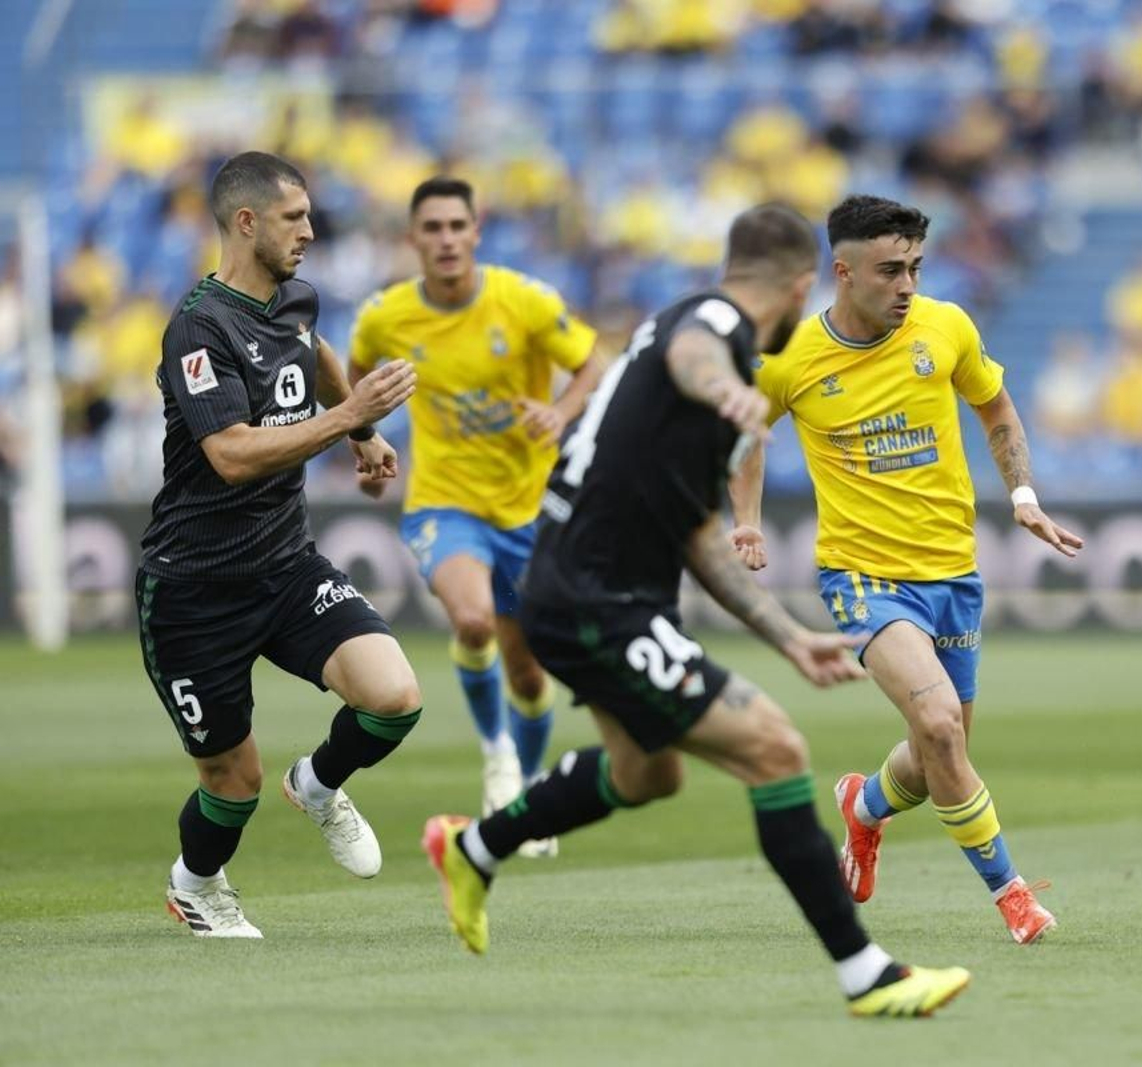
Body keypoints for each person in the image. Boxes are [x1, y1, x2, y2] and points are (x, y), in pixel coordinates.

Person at [422, 203, 970, 1018]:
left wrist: (788, 636)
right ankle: (868, 974)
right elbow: (695, 354)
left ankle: (474, 847)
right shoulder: (712, 326)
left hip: (590, 592)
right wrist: (727, 389)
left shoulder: (698, 355)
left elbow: (699, 537)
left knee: (648, 773)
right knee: (776, 749)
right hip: (594, 601)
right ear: (797, 284)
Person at [728, 194, 1082, 945]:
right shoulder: (789, 357)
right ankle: (1013, 894)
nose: (908, 285)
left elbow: (997, 409)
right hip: (862, 576)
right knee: (938, 723)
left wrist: (1022, 494)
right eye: (891, 270)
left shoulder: (946, 327)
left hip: (952, 573)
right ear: (843, 271)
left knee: (936, 756)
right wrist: (748, 520)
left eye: (916, 267)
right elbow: (749, 435)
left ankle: (864, 806)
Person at [138, 151, 423, 938]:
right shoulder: (197, 326)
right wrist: (346, 419)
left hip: (286, 564)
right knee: (233, 783)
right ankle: (196, 883)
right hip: (195, 589)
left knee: (395, 696)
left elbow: (315, 352)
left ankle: (322, 783)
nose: (310, 229)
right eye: (295, 217)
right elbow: (229, 454)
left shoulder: (295, 297)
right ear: (246, 221)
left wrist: (361, 429)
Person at [350, 177, 602, 851]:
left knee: (527, 669)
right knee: (470, 617)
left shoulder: (522, 300)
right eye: (431, 228)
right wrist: (364, 438)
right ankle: (497, 756)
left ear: (476, 232)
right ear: (413, 239)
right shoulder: (386, 316)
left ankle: (530, 783)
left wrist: (560, 411)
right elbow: (354, 374)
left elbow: (590, 363)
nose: (446, 239)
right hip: (444, 500)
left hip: (525, 508)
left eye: (457, 225)